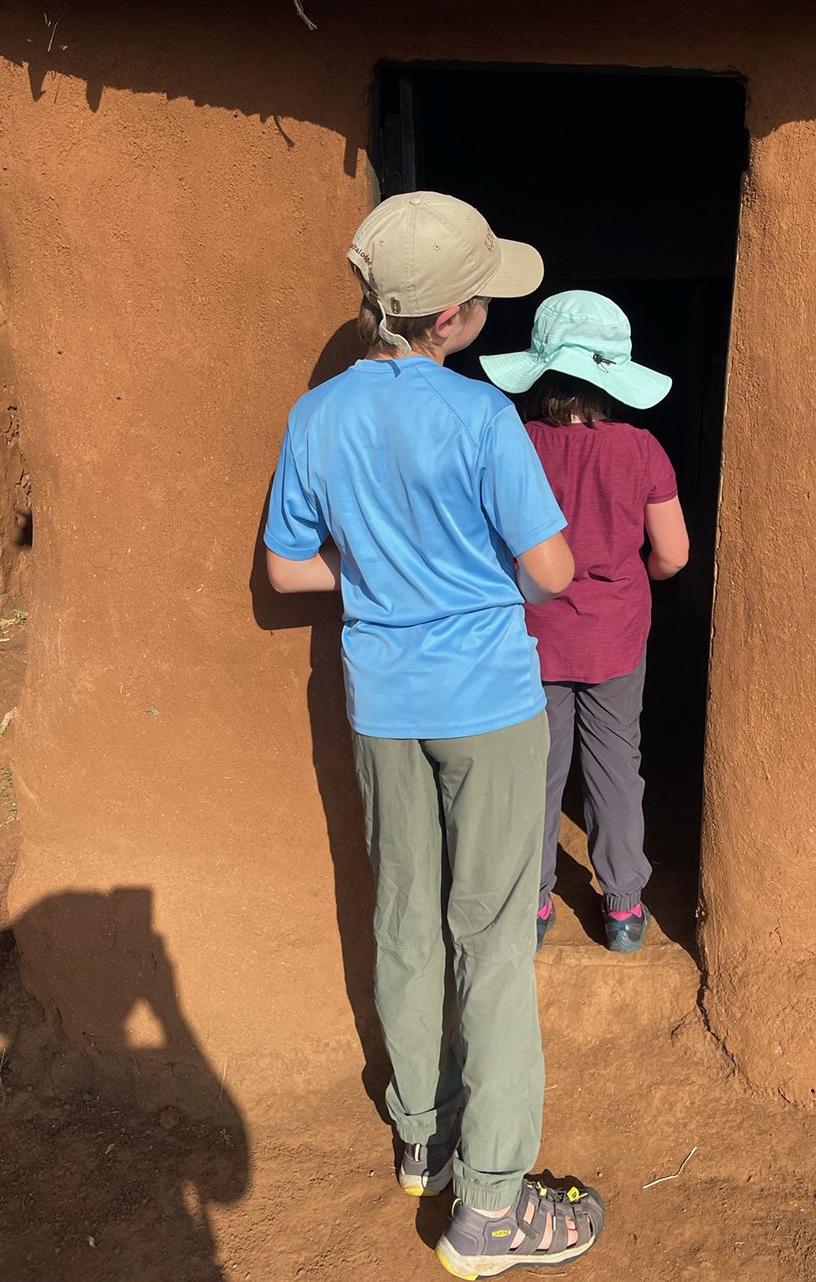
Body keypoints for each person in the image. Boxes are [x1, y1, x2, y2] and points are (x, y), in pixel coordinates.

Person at [263, 194, 605, 1278]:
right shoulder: (480, 420)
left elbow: (285, 571)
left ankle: (422, 1131)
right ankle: (491, 1208)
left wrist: (377, 574)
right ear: (452, 319)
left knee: (405, 916)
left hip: (382, 702)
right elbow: (548, 571)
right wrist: (467, 577)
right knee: (495, 943)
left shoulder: (315, 416)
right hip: (488, 708)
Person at [481, 291, 690, 955]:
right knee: (614, 767)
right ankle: (624, 910)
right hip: (616, 635)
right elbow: (673, 555)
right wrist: (627, 582)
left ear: (540, 371)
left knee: (534, 770)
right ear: (610, 380)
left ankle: (533, 905)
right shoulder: (642, 450)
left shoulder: (514, 442)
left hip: (532, 637)